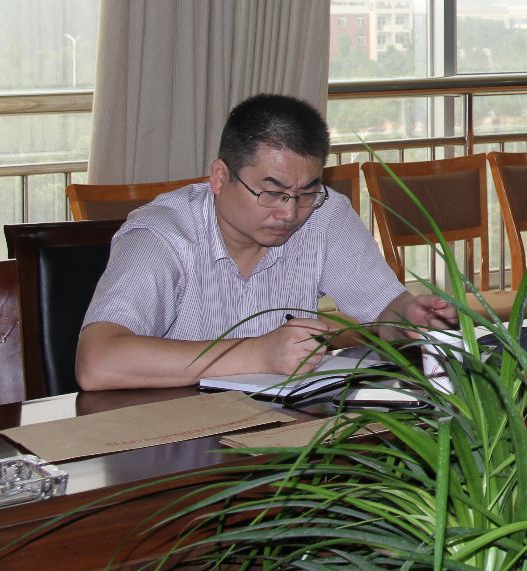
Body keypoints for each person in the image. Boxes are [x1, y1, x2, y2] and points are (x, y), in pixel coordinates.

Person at [76, 94, 456, 390]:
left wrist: (409, 317)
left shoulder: (325, 215)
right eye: (271, 193)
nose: (289, 213)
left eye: (306, 193)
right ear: (219, 177)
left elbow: (383, 312)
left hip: (283, 428)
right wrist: (258, 353)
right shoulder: (162, 235)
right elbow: (97, 363)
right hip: (174, 434)